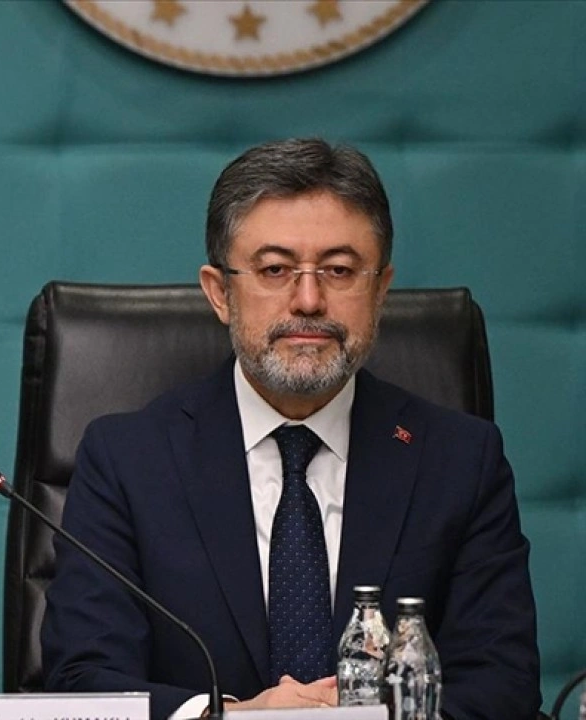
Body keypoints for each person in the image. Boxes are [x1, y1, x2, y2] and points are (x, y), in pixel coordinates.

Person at [40, 138, 540, 720]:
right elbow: (82, 680)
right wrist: (231, 718)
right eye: (275, 269)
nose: (308, 300)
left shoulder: (460, 461)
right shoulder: (127, 461)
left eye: (339, 270)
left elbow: (503, 686)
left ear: (380, 290)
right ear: (220, 293)